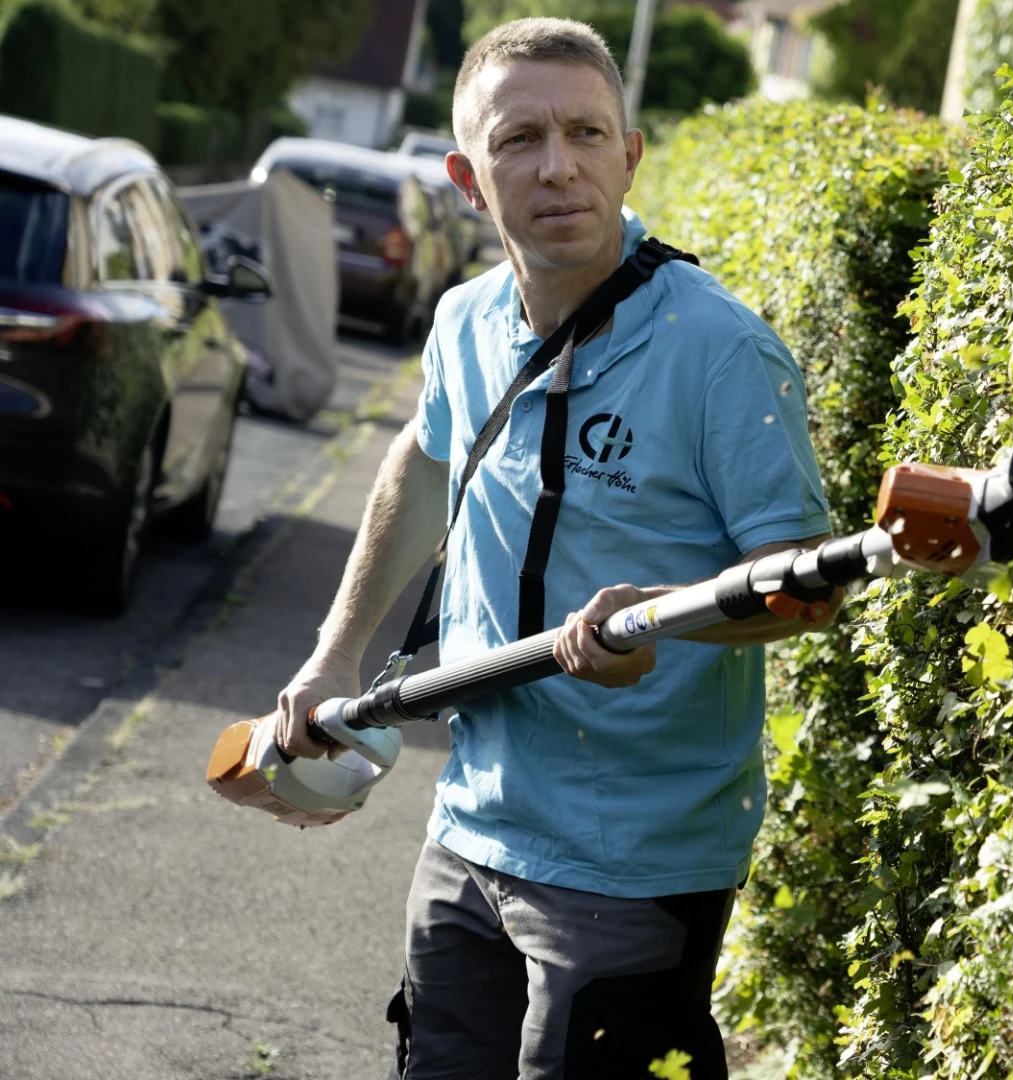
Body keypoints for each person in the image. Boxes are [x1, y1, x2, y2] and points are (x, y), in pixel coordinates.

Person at [270, 17, 835, 1079]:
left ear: (631, 153)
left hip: (635, 863)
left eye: (586, 132)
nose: (559, 165)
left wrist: (667, 626)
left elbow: (806, 585)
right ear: (467, 178)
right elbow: (424, 464)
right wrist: (335, 653)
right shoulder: (464, 320)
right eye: (520, 138)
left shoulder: (721, 351)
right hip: (470, 831)